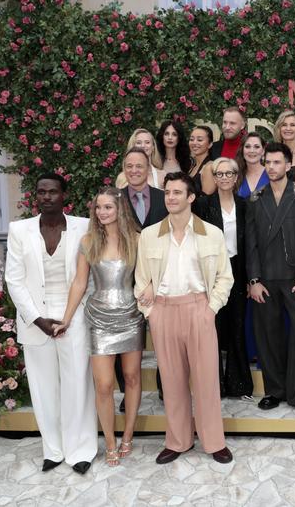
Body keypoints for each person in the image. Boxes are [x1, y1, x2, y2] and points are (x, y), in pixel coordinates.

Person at [134, 172, 234, 465]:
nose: (171, 198)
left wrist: (211, 308)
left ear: (191, 197)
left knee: (206, 380)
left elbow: (224, 278)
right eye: (168, 193)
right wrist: (150, 312)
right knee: (172, 380)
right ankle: (178, 440)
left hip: (199, 309)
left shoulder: (212, 233)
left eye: (178, 192)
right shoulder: (150, 235)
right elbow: (141, 280)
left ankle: (214, 441)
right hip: (163, 312)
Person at [4, 172, 96, 475]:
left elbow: (91, 278)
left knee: (77, 384)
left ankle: (80, 449)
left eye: (53, 192)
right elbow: (14, 280)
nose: (46, 197)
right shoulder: (20, 230)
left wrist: (73, 314)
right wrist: (37, 318)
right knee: (44, 389)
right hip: (36, 320)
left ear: (63, 195)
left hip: (75, 316)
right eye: (41, 192)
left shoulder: (84, 226)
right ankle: (53, 450)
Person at [60, 187, 145, 467]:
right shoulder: (88, 241)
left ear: (120, 209)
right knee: (105, 384)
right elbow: (80, 283)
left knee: (132, 378)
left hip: (131, 316)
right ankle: (109, 440)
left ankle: (128, 435)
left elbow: (147, 279)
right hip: (98, 317)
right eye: (98, 207)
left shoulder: (136, 240)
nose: (102, 212)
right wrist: (67, 318)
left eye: (108, 207)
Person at [245, 142, 295, 415]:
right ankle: (274, 390)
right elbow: (250, 244)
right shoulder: (255, 199)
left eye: (277, 162)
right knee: (268, 335)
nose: (272, 167)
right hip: (265, 279)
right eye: (268, 162)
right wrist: (253, 280)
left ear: (289, 165)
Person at [196, 157, 253, 398]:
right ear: (214, 177)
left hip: (238, 269)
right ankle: (214, 384)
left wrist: (252, 278)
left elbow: (250, 243)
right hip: (211, 271)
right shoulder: (202, 205)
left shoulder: (246, 205)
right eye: (220, 174)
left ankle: (238, 384)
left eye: (229, 173)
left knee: (237, 325)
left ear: (236, 176)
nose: (224, 178)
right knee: (213, 327)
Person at [119, 147, 168, 406]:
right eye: (129, 166)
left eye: (139, 166)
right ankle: (129, 393)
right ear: (124, 169)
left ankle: (166, 388)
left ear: (148, 168)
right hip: (124, 281)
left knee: (163, 338)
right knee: (126, 339)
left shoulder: (164, 198)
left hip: (160, 280)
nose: (134, 171)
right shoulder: (114, 199)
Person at [235, 132, 269, 199]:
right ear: (242, 150)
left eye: (256, 147)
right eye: (247, 146)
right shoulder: (235, 175)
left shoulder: (272, 173)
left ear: (263, 151)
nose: (252, 150)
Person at [189, 125, 214, 196]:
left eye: (199, 140)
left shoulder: (209, 167)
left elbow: (206, 199)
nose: (194, 143)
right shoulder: (192, 165)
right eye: (191, 139)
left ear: (210, 144)